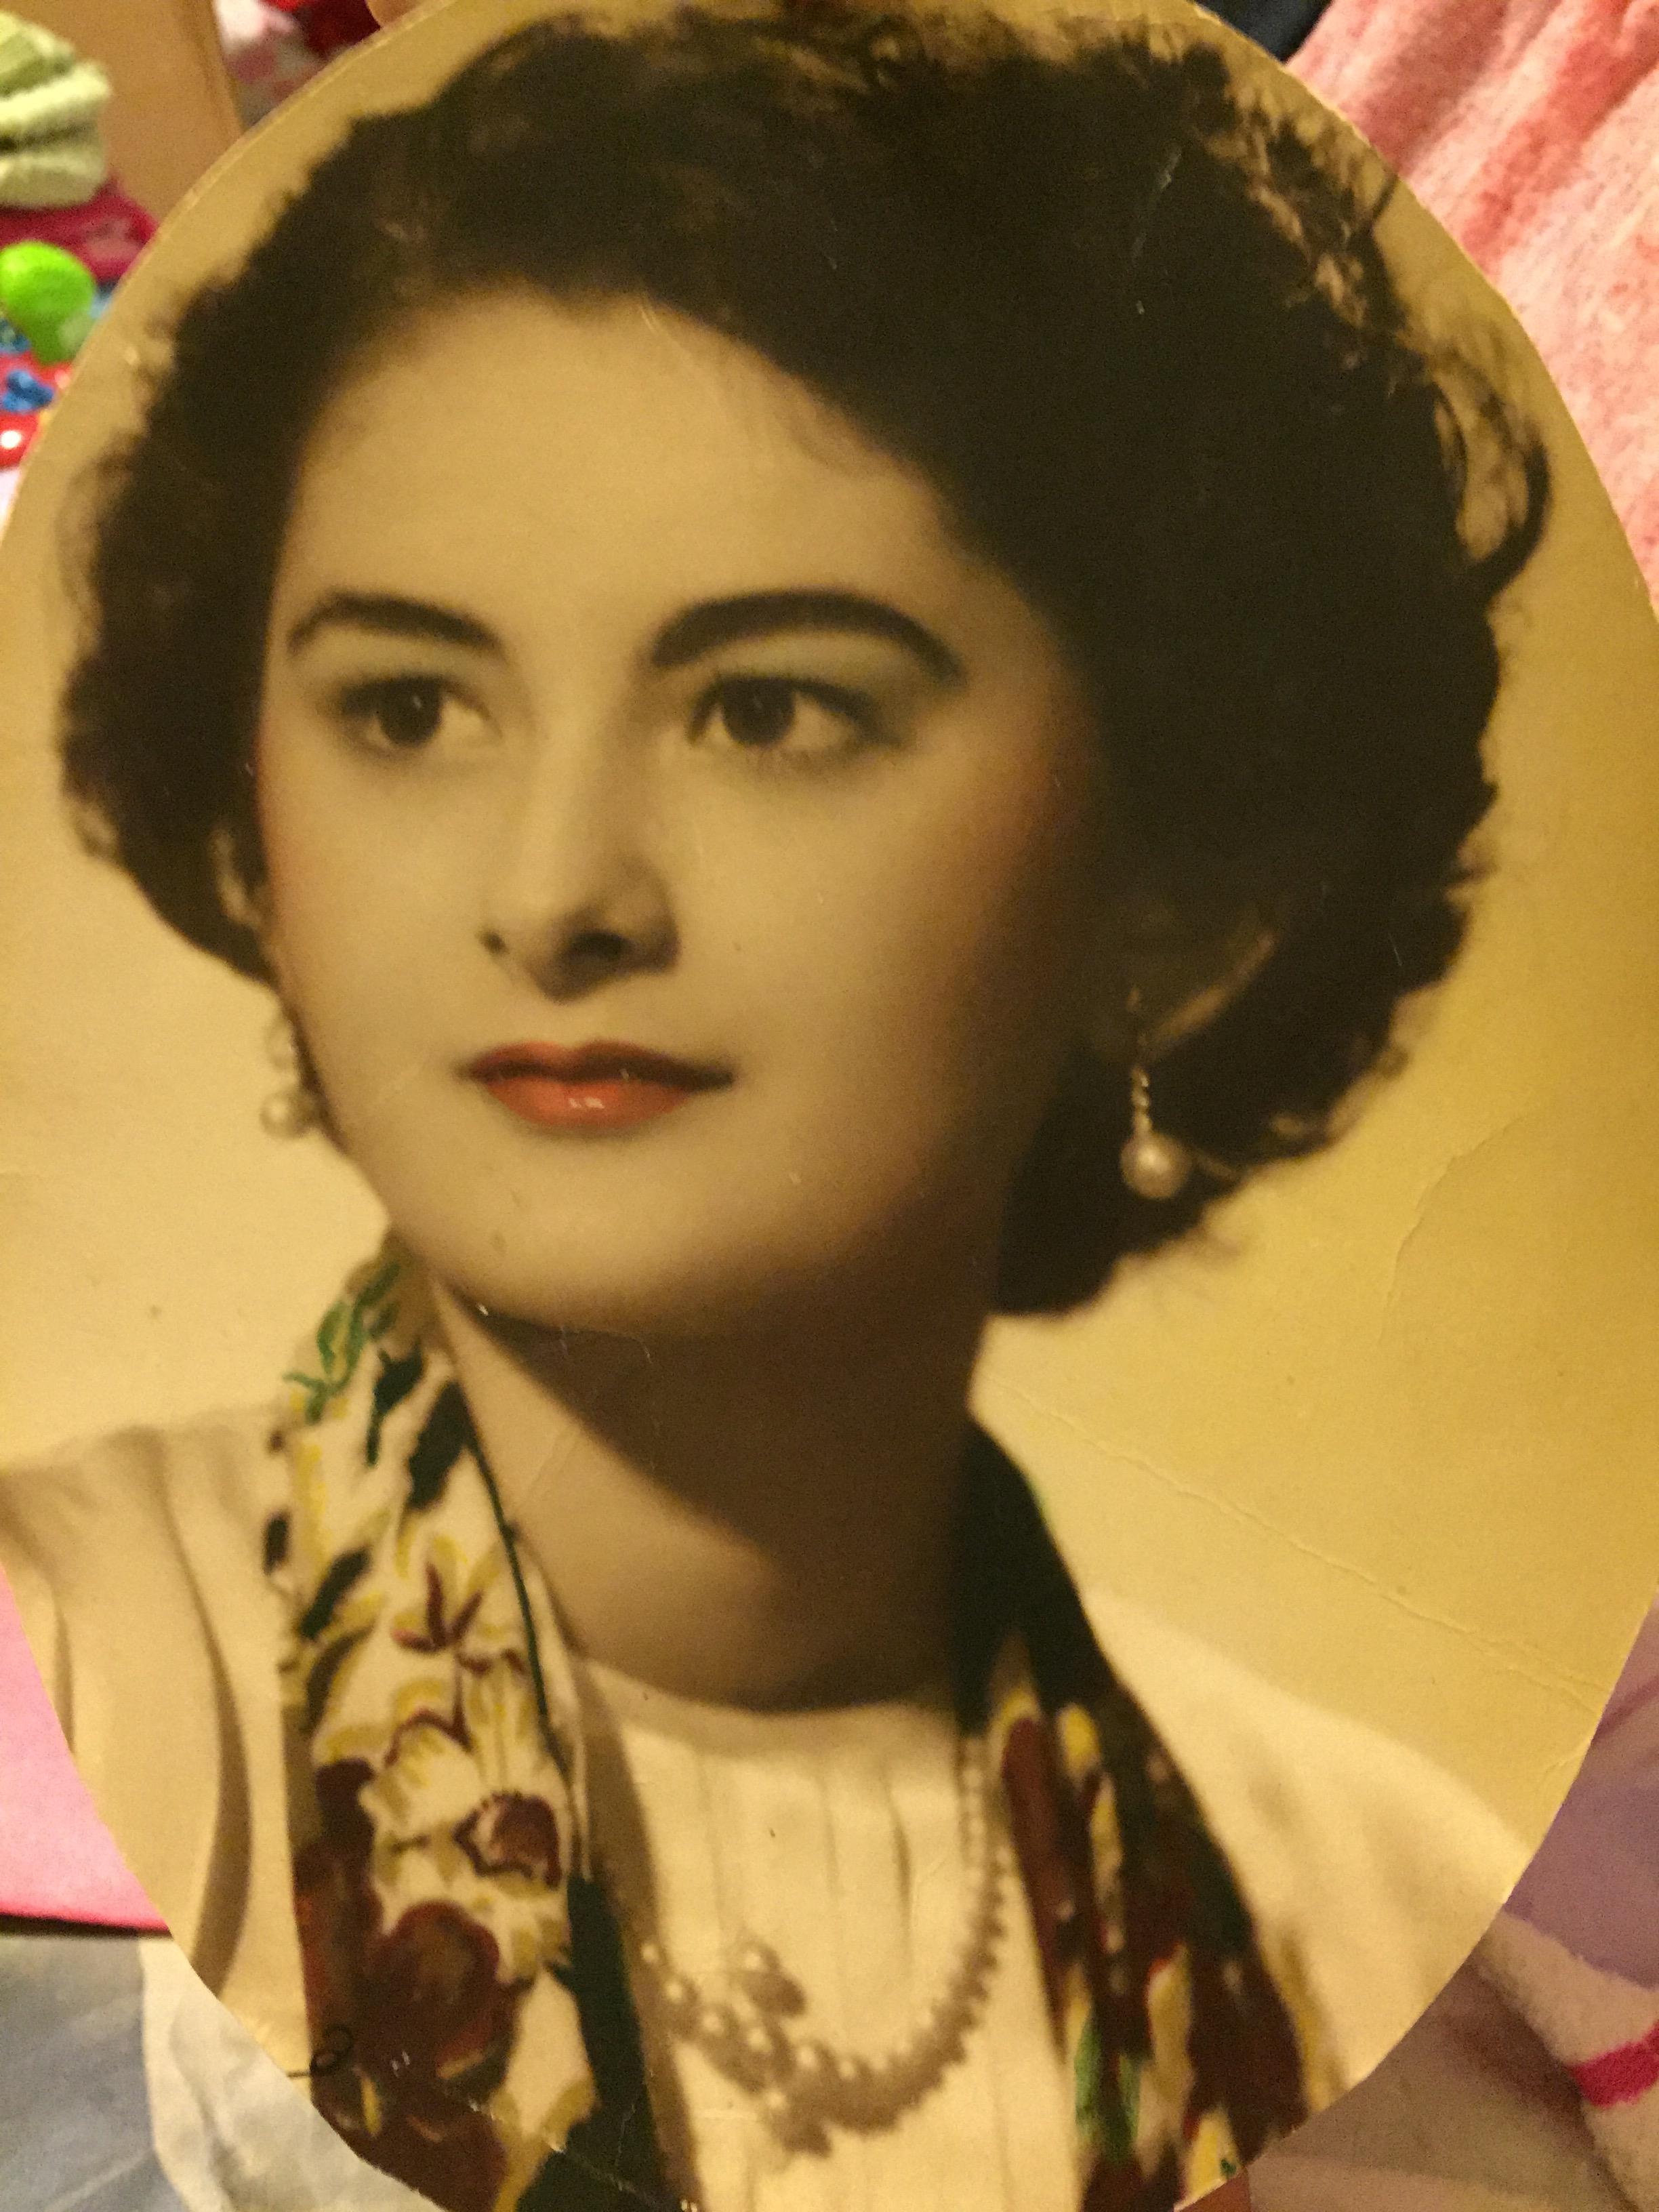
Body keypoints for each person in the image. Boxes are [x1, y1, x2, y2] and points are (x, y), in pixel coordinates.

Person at [0, 4, 1555, 2209]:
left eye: (771, 707)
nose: (550, 894)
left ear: (1181, 890)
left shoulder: (1323, 1867)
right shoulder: (147, 1665)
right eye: (415, 703)